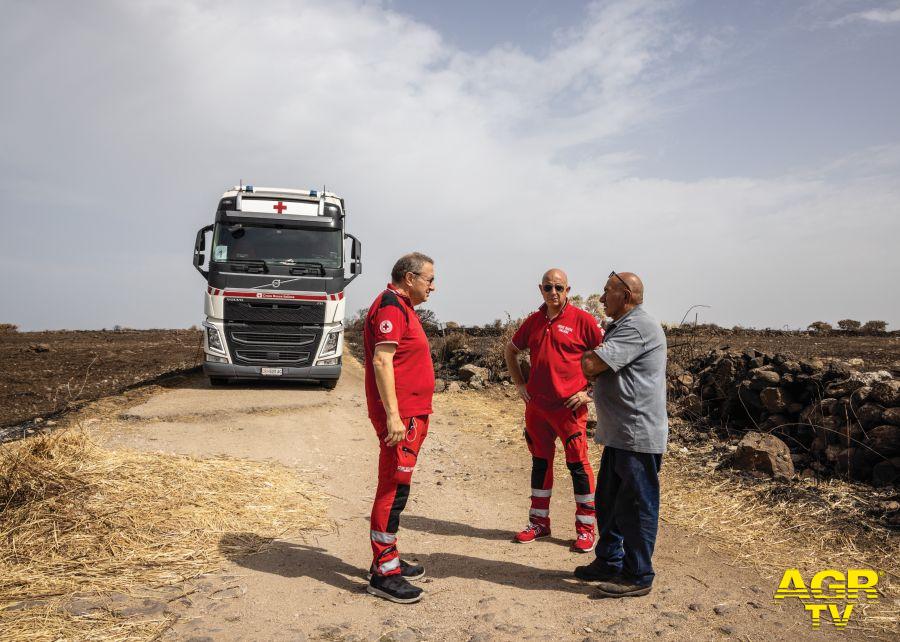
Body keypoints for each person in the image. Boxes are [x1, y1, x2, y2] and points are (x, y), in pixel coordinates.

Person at [575, 271, 668, 598]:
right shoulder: (624, 326)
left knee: (635, 505)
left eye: (606, 292)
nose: (601, 300)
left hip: (637, 434)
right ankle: (610, 561)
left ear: (625, 296)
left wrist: (585, 355)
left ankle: (638, 573)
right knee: (610, 503)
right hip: (620, 434)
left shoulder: (637, 327)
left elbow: (592, 365)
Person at [505, 269, 604, 553]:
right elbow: (511, 351)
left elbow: (607, 358)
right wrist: (520, 384)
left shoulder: (583, 321)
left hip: (568, 409)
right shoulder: (533, 322)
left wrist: (590, 394)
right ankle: (538, 522)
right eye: (548, 287)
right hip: (537, 409)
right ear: (541, 290)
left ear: (567, 289)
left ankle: (586, 529)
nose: (554, 293)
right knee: (540, 463)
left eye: (559, 287)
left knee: (578, 465)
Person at [363, 252, 436, 604]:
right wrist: (393, 415)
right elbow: (381, 360)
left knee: (399, 488)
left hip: (412, 415)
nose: (433, 286)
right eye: (429, 279)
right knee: (392, 488)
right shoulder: (391, 305)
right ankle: (383, 573)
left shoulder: (404, 308)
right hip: (401, 418)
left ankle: (389, 557)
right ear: (409, 278)